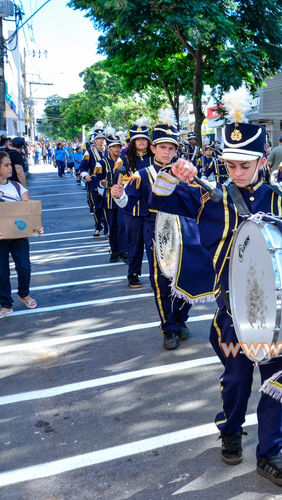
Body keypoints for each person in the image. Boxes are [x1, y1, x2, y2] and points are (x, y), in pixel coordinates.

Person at [160, 87, 282, 486]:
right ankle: (230, 429)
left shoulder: (281, 197)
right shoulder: (208, 197)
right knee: (237, 380)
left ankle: (271, 453)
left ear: (262, 161)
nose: (237, 172)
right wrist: (176, 172)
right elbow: (158, 198)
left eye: (245, 164)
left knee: (277, 382)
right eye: (230, 164)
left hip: (278, 311)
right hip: (232, 313)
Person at [111, 109, 193, 350]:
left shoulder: (184, 171)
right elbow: (129, 203)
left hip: (184, 232)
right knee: (162, 281)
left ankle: (181, 318)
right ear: (153, 148)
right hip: (155, 232)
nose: (167, 152)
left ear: (176, 150)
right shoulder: (142, 174)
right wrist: (118, 196)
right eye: (162, 147)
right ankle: (169, 328)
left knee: (188, 277)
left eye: (171, 148)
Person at [0, 151, 43, 318]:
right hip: (0, 238)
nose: (10, 168)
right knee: (1, 272)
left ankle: (24, 294)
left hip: (19, 236)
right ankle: (6, 304)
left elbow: (28, 210)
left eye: (10, 164)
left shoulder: (17, 187)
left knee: (24, 268)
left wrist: (37, 225)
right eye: (6, 165)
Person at [119, 117, 153, 289]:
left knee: (154, 244)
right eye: (138, 139)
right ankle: (133, 273)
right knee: (134, 242)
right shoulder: (124, 159)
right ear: (133, 142)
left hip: (152, 207)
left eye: (144, 139)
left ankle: (157, 276)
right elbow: (118, 181)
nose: (141, 142)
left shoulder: (154, 157)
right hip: (132, 208)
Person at [97, 128, 128, 265]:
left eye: (119, 146)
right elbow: (95, 179)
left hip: (122, 198)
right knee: (112, 226)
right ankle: (114, 250)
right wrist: (101, 183)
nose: (117, 149)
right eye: (114, 147)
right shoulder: (102, 163)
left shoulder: (125, 161)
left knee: (123, 225)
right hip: (109, 199)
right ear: (109, 148)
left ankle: (123, 251)